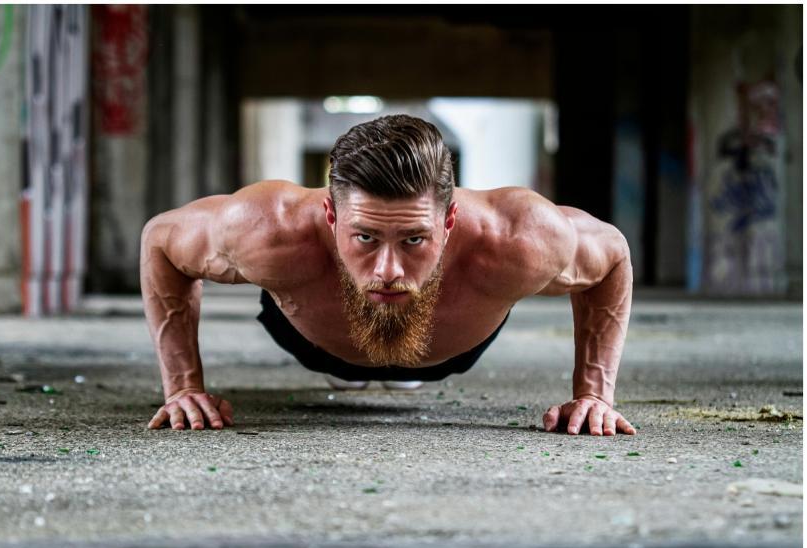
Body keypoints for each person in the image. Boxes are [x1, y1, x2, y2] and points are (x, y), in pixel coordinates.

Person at [140, 114, 636, 436]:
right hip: (313, 341)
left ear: (449, 220)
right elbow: (161, 240)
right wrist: (184, 386)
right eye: (365, 238)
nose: (388, 270)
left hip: (446, 351)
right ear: (332, 218)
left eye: (414, 240)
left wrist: (593, 393)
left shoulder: (520, 236)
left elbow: (611, 256)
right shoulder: (269, 229)